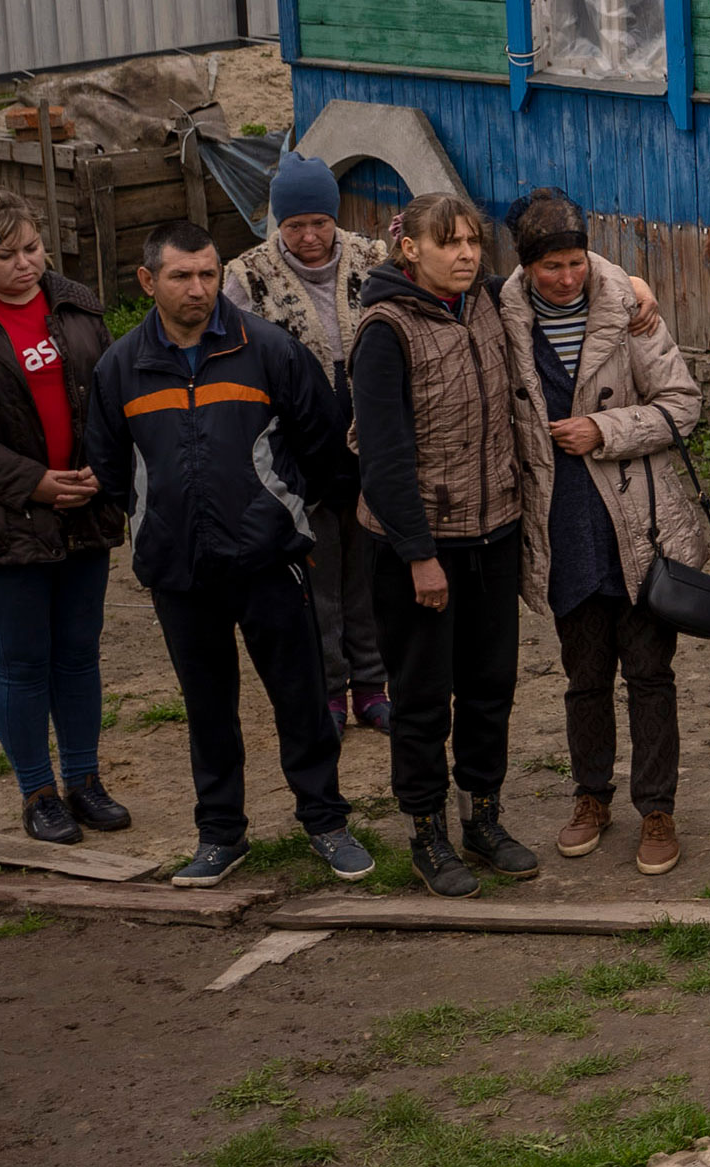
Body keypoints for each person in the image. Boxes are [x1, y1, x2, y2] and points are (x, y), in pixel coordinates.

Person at [89, 219, 370, 886]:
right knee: (207, 706)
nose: (198, 288)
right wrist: (154, 527)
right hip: (178, 572)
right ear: (148, 280)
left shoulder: (271, 351)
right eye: (182, 276)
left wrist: (287, 524)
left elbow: (326, 449)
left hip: (269, 562)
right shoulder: (120, 367)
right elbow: (105, 466)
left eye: (208, 274)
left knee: (301, 698)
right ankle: (220, 834)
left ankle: (326, 822)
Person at [500, 191, 710, 876]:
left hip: (638, 523)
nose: (567, 278)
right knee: (584, 676)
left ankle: (658, 808)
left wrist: (607, 429)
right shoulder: (500, 320)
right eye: (550, 267)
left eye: (575, 261)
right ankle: (592, 796)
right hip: (561, 527)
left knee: (650, 672)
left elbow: (685, 404)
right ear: (525, 264)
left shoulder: (627, 307)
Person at [349, 192, 552, 898]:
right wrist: (418, 554)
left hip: (491, 533)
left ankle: (483, 817)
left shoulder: (489, 305)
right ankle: (427, 831)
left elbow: (567, 270)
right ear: (410, 249)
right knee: (423, 695)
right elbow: (383, 455)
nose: (467, 253)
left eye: (472, 240)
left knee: (491, 685)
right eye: (449, 243)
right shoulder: (386, 329)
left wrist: (639, 287)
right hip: (418, 548)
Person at [0, 188, 131, 845]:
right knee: (23, 658)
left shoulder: (77, 304)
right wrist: (32, 483)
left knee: (78, 652)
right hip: (3, 518)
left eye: (32, 247)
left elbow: (116, 389)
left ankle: (85, 782)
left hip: (83, 509)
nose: (24, 264)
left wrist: (101, 464)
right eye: (5, 254)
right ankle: (37, 792)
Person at [220, 155, 388, 734]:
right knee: (318, 578)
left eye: (319, 222)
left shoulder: (375, 258)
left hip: (372, 442)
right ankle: (330, 691)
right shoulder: (245, 277)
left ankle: (373, 684)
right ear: (277, 225)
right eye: (295, 226)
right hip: (298, 449)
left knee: (367, 571)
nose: (310, 238)